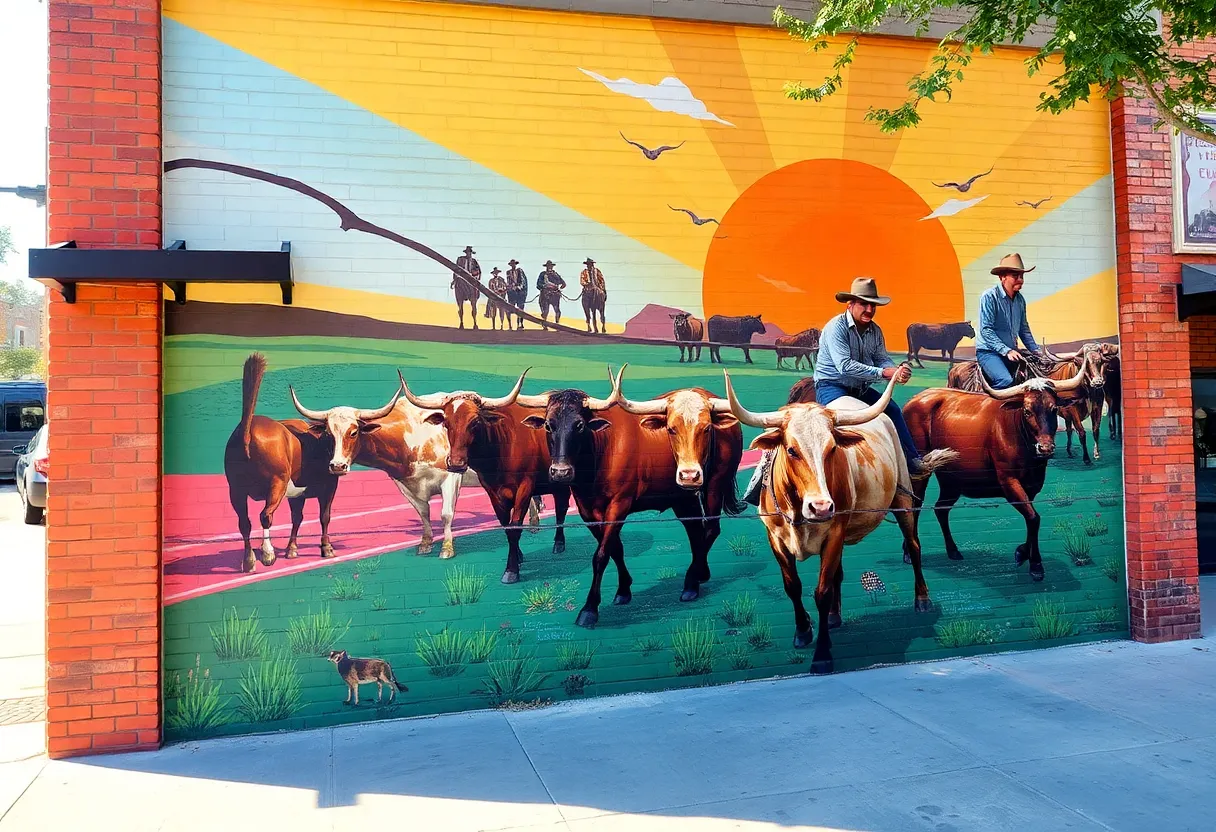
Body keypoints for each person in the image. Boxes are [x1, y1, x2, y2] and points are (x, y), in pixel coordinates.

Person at [742, 277, 926, 506]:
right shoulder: (835, 328)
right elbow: (844, 366)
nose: (869, 309)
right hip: (832, 388)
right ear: (850, 304)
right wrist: (884, 373)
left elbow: (882, 358)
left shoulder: (875, 331)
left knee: (892, 410)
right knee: (822, 429)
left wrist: (896, 370)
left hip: (860, 388)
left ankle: (912, 462)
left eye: (872, 305)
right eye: (863, 304)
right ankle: (759, 484)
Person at [975, 253, 1042, 389]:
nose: (1020, 280)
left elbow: (1024, 330)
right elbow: (986, 330)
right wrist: (1006, 351)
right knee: (1005, 381)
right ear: (1002, 277)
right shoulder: (989, 297)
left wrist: (1037, 351)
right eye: (1015, 276)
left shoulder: (1020, 300)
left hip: (1011, 352)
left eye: (1021, 276)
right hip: (989, 352)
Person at [537, 260, 566, 330]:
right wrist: (544, 286)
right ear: (546, 267)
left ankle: (557, 324)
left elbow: (563, 283)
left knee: (557, 310)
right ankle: (544, 324)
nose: (549, 267)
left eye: (550, 266)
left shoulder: (555, 274)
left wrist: (561, 285)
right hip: (545, 293)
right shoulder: (542, 274)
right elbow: (538, 284)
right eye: (548, 266)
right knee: (545, 310)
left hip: (555, 294)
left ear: (552, 266)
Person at [506, 259, 528, 330]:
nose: (513, 265)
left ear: (515, 264)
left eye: (514, 264)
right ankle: (510, 325)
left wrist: (519, 287)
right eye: (512, 264)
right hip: (512, 292)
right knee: (510, 307)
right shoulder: (508, 272)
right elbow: (508, 281)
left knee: (520, 308)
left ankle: (520, 324)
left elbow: (523, 280)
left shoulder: (519, 271)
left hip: (520, 292)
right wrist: (510, 287)